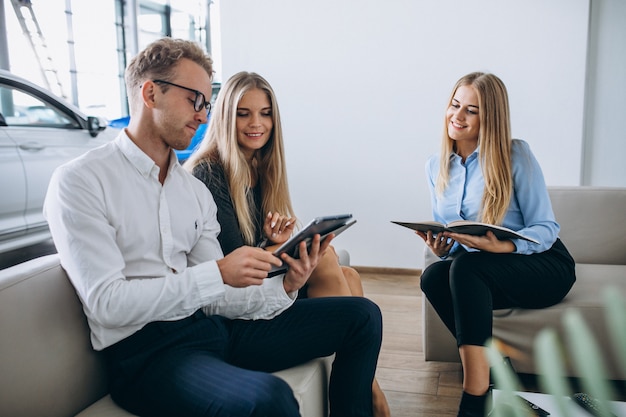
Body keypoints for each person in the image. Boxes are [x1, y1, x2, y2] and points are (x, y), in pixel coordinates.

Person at [43, 37, 383, 417]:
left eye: (207, 103)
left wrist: (288, 286)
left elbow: (220, 299)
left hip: (213, 330)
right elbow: (107, 305)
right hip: (151, 355)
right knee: (269, 399)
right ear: (151, 93)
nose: (204, 115)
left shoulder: (192, 192)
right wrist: (216, 273)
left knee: (361, 317)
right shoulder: (81, 181)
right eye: (195, 100)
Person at [184, 71, 391, 417]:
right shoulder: (209, 173)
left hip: (255, 294)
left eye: (265, 113)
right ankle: (371, 392)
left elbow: (252, 246)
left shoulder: (259, 166)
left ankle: (364, 390)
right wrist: (281, 249)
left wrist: (276, 241)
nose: (256, 123)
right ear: (225, 116)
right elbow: (230, 261)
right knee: (327, 262)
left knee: (348, 275)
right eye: (243, 113)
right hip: (233, 315)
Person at [416, 72, 576, 417]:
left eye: (471, 110)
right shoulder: (435, 166)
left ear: (490, 117)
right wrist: (443, 247)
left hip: (544, 265)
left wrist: (503, 248)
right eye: (455, 105)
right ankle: (497, 369)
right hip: (481, 269)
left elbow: (547, 228)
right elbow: (454, 235)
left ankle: (476, 395)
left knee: (469, 267)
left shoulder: (514, 154)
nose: (457, 117)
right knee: (433, 276)